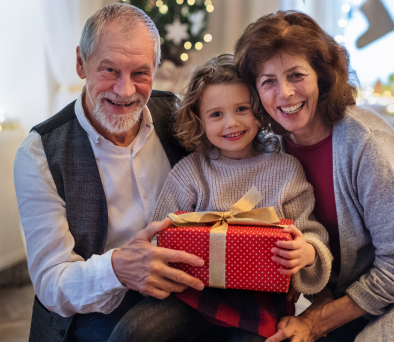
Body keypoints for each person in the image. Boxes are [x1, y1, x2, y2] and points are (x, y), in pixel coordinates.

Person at [233, 10, 394, 342]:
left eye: (296, 75)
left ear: (321, 75)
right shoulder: (274, 149)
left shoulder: (364, 141)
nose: (286, 93)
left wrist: (314, 323)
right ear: (256, 93)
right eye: (268, 82)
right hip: (359, 293)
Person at [14, 3, 209, 342]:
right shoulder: (40, 153)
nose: (125, 90)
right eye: (109, 70)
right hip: (98, 302)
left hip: (186, 289)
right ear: (80, 63)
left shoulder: (179, 116)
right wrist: (119, 268)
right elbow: (51, 283)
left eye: (140, 73)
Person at [109, 55, 333, 342]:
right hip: (190, 291)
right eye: (216, 114)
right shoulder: (190, 171)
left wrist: (307, 251)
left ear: (260, 109)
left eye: (242, 108)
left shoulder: (286, 169)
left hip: (260, 298)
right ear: (198, 120)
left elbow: (312, 234)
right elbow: (160, 232)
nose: (231, 123)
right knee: (131, 333)